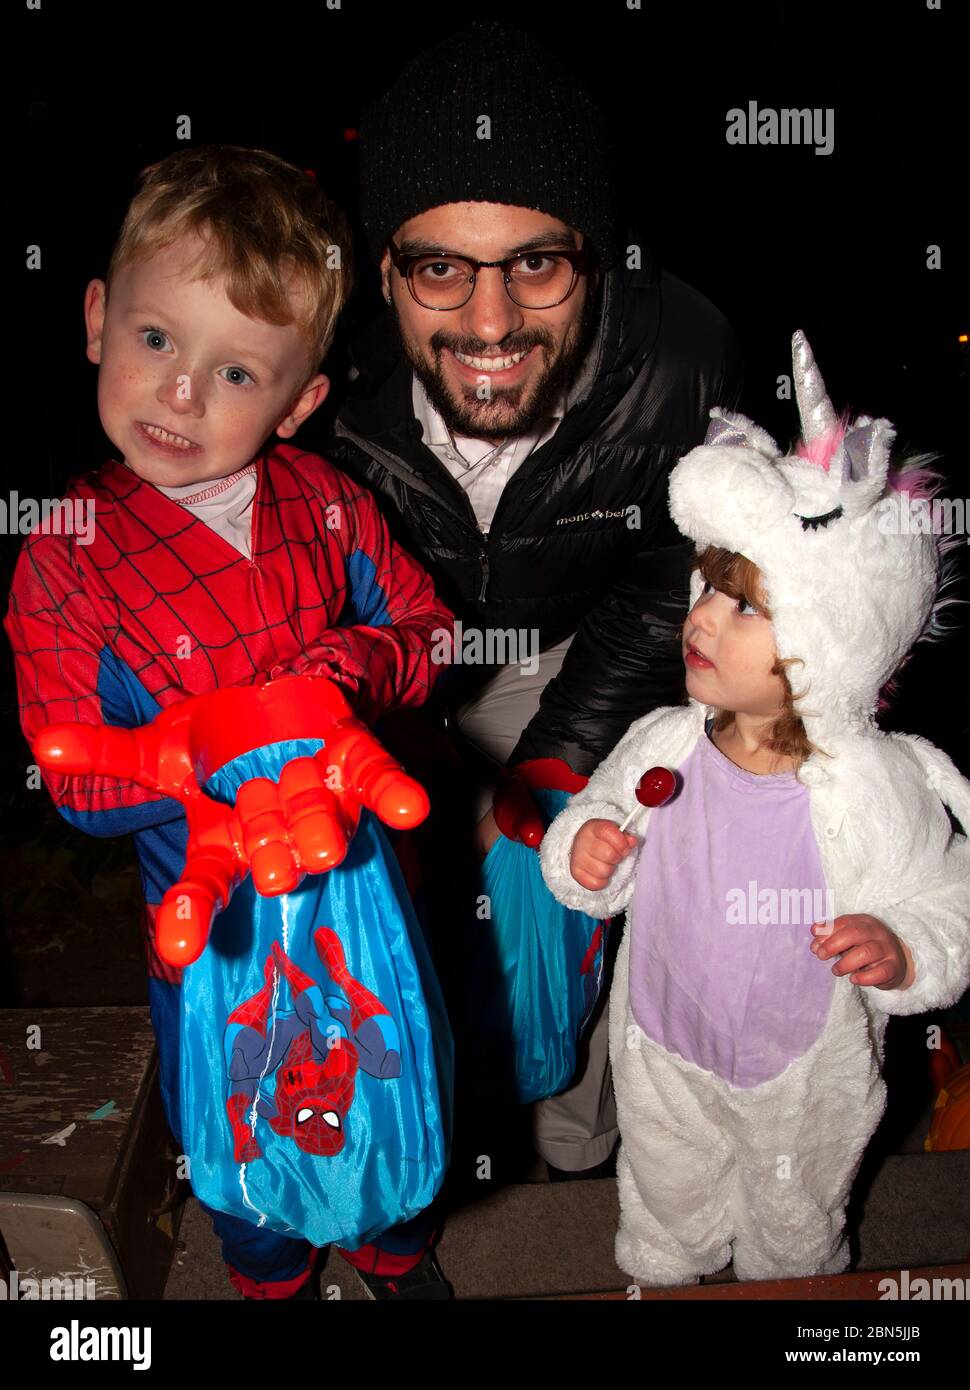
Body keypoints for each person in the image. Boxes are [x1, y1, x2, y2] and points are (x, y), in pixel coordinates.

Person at [4, 145, 456, 1299]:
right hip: (207, 925)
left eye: (238, 371)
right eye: (159, 340)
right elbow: (73, 779)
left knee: (402, 1086)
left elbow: (431, 631)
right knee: (237, 1128)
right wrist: (201, 752)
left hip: (359, 886)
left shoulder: (329, 502)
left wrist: (339, 673)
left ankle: (397, 1253)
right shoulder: (65, 555)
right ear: (99, 317)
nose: (183, 393)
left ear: (302, 400)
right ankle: (269, 1275)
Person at [328, 20, 744, 1179]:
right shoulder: (321, 386)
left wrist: (561, 753)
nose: (494, 322)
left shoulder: (681, 354)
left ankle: (588, 1141)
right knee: (400, 906)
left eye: (537, 263)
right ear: (385, 272)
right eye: (441, 267)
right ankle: (408, 1138)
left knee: (602, 863)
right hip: (395, 674)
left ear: (594, 258)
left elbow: (676, 570)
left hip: (590, 650)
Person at [539, 331, 970, 1283]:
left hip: (804, 1074)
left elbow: (951, 901)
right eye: (707, 589)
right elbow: (596, 817)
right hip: (662, 1037)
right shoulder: (665, 741)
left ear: (837, 637)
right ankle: (662, 1263)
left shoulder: (874, 785)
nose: (700, 618)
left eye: (746, 608)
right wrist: (587, 851)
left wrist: (902, 947)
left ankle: (794, 1288)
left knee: (792, 1216)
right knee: (665, 1191)